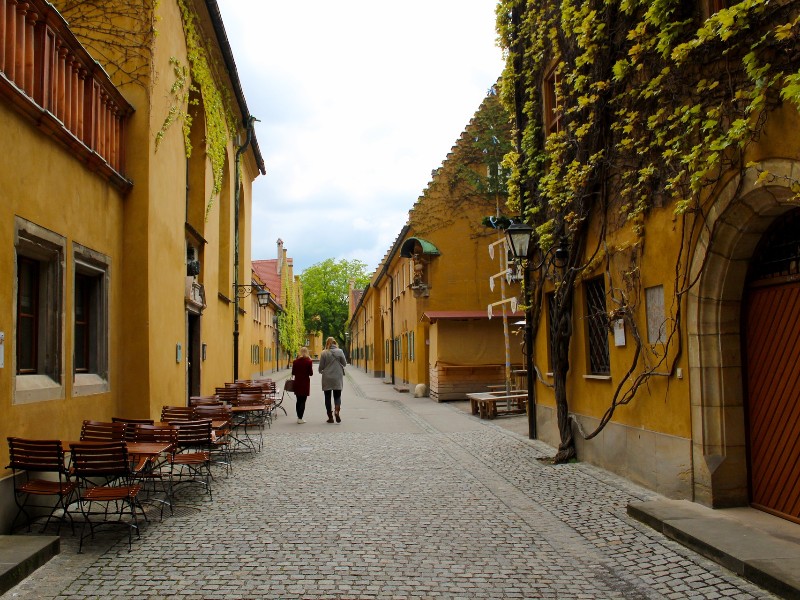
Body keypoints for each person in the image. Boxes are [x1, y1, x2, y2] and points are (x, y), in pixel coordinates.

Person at [318, 336, 347, 423]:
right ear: (335, 343)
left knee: (327, 397)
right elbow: (344, 364)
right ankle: (337, 411)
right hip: (337, 377)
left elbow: (321, 367)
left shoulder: (324, 353)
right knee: (337, 396)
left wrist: (322, 371)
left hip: (327, 377)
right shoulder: (340, 351)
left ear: (327, 343)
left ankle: (330, 417)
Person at [291, 347, 313, 424]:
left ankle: (298, 417)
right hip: (305, 383)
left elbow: (293, 373)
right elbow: (311, 373)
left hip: (297, 382)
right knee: (303, 401)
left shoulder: (295, 362)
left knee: (298, 400)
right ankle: (300, 418)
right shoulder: (309, 362)